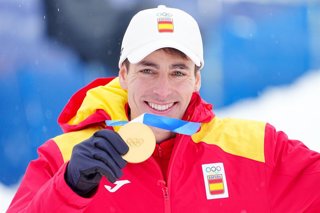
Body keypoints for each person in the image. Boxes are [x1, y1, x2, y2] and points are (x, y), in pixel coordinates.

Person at [7, 5, 320, 213]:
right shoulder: (65, 158)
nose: (162, 89)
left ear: (197, 79)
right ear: (124, 74)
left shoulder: (257, 148)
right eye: (148, 70)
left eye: (178, 72)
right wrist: (68, 189)